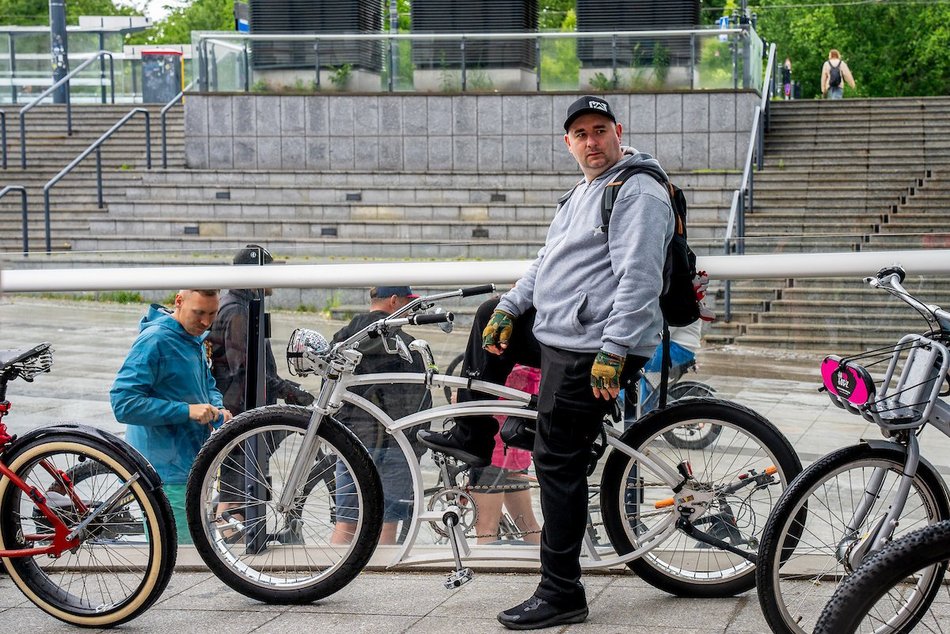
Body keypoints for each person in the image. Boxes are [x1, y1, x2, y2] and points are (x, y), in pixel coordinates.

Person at [418, 95, 674, 629]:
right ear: (568, 143)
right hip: (564, 332)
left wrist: (615, 348)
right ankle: (475, 433)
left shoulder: (638, 191)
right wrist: (511, 306)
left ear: (617, 132)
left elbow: (642, 278)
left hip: (596, 345)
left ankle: (562, 592)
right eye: (580, 134)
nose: (591, 141)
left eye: (599, 130)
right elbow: (546, 261)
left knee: (555, 460)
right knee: (491, 310)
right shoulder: (581, 193)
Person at [110, 289, 233, 545]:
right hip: (165, 472)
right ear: (179, 301)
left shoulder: (192, 337)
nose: (206, 322)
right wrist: (186, 411)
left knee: (193, 552)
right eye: (199, 313)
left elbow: (206, 382)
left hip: (188, 463)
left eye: (212, 313)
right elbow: (123, 403)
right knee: (184, 558)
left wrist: (216, 407)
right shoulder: (155, 340)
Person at [329, 286, 433, 546]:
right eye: (407, 302)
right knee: (386, 526)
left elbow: (328, 396)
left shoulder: (341, 341)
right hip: (396, 443)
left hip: (351, 443)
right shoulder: (407, 346)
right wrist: (415, 447)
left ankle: (332, 580)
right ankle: (379, 585)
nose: (408, 308)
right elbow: (421, 402)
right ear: (394, 301)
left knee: (346, 523)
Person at [208, 245, 314, 413]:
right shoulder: (236, 312)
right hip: (240, 408)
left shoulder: (244, 305)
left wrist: (290, 388)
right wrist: (286, 390)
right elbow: (247, 371)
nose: (273, 278)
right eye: (269, 272)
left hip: (243, 404)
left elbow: (258, 367)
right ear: (254, 275)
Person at [469, 364, 542, 545]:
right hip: (516, 451)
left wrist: (462, 398)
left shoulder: (512, 365)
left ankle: (486, 571)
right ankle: (547, 565)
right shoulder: (532, 365)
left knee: (486, 529)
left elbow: (495, 397)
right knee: (528, 525)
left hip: (492, 450)